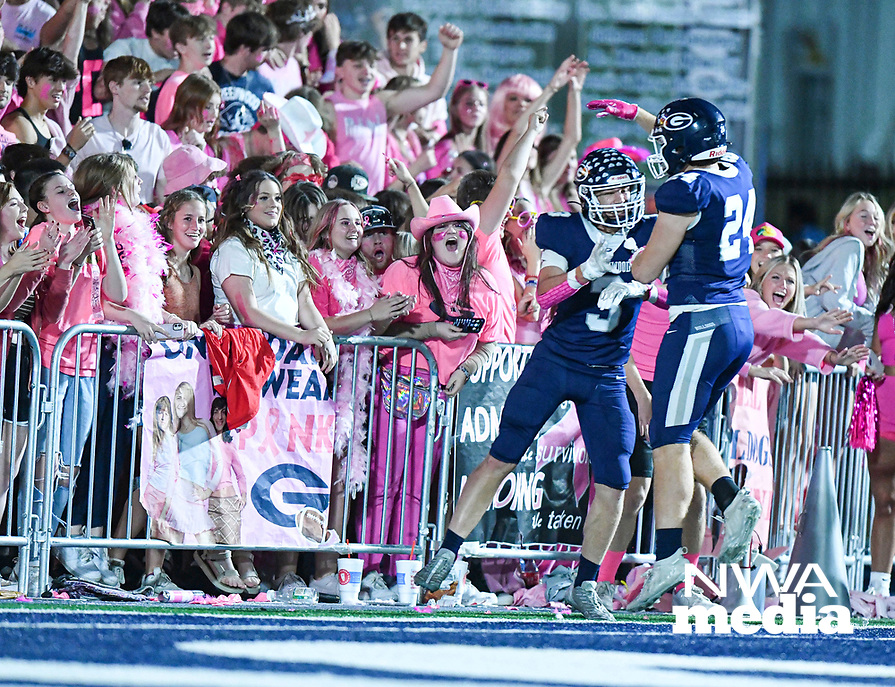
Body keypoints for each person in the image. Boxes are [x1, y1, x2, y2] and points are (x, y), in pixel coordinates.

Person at [413, 148, 653, 621]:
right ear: (587, 196)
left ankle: (588, 584)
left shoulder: (647, 234)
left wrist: (647, 288)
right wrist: (587, 272)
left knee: (616, 481)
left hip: (606, 373)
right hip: (557, 361)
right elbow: (544, 294)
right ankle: (448, 550)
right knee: (503, 455)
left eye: (629, 190)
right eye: (612, 191)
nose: (622, 200)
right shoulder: (562, 230)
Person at [590, 96, 762, 611]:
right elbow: (695, 143)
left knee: (666, 443)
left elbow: (650, 264)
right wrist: (641, 116)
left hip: (697, 324)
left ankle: (669, 560)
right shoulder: (737, 168)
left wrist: (619, 276)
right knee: (683, 433)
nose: (659, 148)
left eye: (665, 140)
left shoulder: (684, 188)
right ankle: (733, 499)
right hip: (734, 321)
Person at [210, 170, 336, 590]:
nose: (273, 205)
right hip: (251, 360)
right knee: (245, 461)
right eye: (263, 197)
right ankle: (241, 559)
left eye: (278, 198)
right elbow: (247, 310)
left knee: (290, 460)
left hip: (293, 369)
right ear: (244, 203)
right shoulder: (232, 248)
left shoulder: (285, 248)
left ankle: (286, 571)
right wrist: (302, 335)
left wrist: (323, 335)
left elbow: (303, 302)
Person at [322, 23, 463, 196]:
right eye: (358, 66)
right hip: (341, 200)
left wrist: (450, 50)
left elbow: (434, 91)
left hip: (376, 202)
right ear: (339, 70)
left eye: (371, 65)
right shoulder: (328, 106)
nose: (367, 72)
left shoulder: (381, 103)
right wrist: (339, 166)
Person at [0, 182, 53, 530]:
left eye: (24, 203)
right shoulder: (14, 257)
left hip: (17, 363)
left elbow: (42, 312)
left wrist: (64, 265)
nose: (25, 211)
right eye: (14, 203)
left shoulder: (19, 252)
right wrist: (14, 267)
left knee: (6, 470)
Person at [71, 57, 173, 204]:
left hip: (144, 222)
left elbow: (165, 190)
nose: (148, 89)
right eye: (138, 83)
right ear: (115, 87)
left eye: (149, 83)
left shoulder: (157, 135)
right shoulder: (90, 133)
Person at [802, 192, 894, 348]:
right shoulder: (851, 245)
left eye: (877, 218)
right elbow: (834, 302)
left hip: (819, 337)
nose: (871, 222)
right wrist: (870, 321)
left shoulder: (865, 261)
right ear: (847, 223)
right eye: (864, 216)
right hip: (814, 332)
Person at [1, 48, 93, 166]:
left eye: (63, 81)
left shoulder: (52, 126)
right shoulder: (16, 125)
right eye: (53, 80)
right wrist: (71, 149)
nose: (61, 88)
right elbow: (33, 178)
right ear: (31, 81)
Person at [866, 256, 895, 596]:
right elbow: (875, 354)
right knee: (884, 499)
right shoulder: (885, 311)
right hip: (883, 404)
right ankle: (878, 586)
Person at [374, 11, 448, 139]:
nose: (401, 46)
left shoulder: (431, 85)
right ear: (387, 42)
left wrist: (429, 138)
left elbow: (440, 132)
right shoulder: (372, 78)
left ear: (423, 46)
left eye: (408, 40)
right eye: (395, 38)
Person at [209, 11, 279, 135]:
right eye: (264, 50)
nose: (268, 56)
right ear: (244, 49)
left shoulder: (264, 87)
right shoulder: (209, 76)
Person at [153, 14, 218, 127]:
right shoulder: (175, 84)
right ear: (181, 47)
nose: (209, 45)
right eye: (201, 40)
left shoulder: (208, 77)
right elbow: (163, 127)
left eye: (211, 38)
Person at [104, 0, 189, 82]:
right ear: (155, 32)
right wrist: (155, 77)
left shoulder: (185, 60)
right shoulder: (125, 49)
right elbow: (106, 87)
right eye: (175, 35)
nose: (181, 43)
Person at [428, 78, 489, 179]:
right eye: (469, 103)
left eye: (481, 104)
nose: (476, 108)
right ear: (454, 108)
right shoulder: (445, 149)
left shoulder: (482, 147)